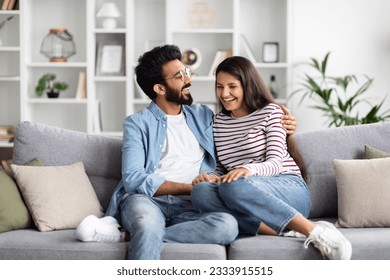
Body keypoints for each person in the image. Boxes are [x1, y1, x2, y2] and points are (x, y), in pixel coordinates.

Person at [105, 45, 297, 260]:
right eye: (180, 76)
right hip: (147, 201)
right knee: (147, 225)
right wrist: (189, 187)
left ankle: (135, 237)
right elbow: (133, 178)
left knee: (227, 226)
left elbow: (239, 128)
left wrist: (284, 124)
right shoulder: (137, 124)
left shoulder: (204, 115)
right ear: (159, 88)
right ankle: (146, 234)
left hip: (193, 204)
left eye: (186, 71)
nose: (188, 79)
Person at [191, 56, 352, 260]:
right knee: (200, 192)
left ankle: (316, 232)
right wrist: (211, 176)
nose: (224, 93)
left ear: (247, 85)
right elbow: (223, 168)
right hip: (245, 192)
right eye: (219, 86)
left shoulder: (271, 112)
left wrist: (248, 171)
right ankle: (282, 229)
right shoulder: (219, 123)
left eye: (232, 86)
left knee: (233, 185)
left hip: (286, 187)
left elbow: (275, 163)